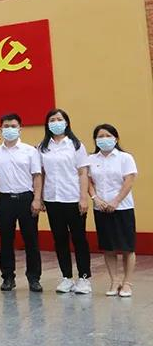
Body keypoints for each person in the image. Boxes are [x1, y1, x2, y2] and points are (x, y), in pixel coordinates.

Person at [39, 109, 92, 294]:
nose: (56, 122)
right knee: (59, 239)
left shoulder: (76, 145)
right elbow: (41, 174)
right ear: (47, 124)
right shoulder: (43, 147)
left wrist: (83, 197)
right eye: (52, 120)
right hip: (52, 199)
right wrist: (40, 197)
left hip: (73, 198)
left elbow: (83, 173)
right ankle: (67, 277)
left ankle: (84, 278)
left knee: (79, 239)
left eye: (59, 119)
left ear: (66, 122)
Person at [0, 113, 43, 292]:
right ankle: (7, 277)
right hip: (5, 199)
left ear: (20, 128)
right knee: (6, 240)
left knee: (31, 240)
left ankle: (34, 278)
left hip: (26, 198)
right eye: (6, 126)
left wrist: (37, 199)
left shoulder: (30, 151)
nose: (9, 129)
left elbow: (37, 176)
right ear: (0, 129)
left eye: (13, 126)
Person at [88, 124, 138, 298]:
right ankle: (114, 281)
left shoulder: (125, 158)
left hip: (123, 207)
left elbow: (129, 182)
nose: (104, 139)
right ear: (95, 140)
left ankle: (127, 283)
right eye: (100, 136)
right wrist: (96, 199)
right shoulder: (91, 159)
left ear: (115, 138)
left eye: (108, 136)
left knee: (127, 248)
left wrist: (116, 201)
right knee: (108, 248)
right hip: (101, 208)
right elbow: (88, 182)